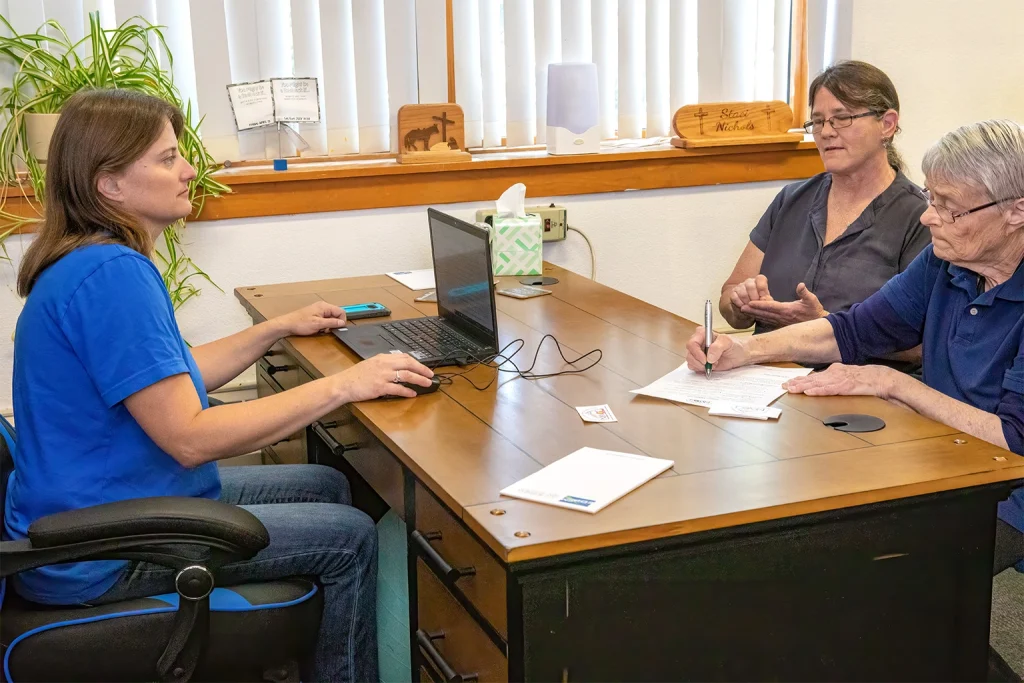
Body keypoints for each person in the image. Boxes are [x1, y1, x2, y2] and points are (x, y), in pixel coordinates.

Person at [4, 89, 435, 682]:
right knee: (351, 537)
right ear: (109, 185)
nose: (187, 170)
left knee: (328, 483)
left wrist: (274, 330)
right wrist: (344, 385)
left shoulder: (89, 260)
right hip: (104, 548)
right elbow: (190, 436)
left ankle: (294, 662)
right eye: (166, 159)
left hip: (108, 504)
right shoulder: (112, 275)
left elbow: (170, 382)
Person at [687, 119, 1024, 573]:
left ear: (1015, 212)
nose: (929, 218)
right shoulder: (947, 262)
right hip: (938, 459)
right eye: (930, 198)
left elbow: (1015, 440)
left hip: (1005, 495)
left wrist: (892, 383)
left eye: (949, 208)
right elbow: (851, 331)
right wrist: (744, 351)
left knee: (879, 575)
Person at [719, 60, 931, 339]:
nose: (827, 131)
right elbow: (729, 298)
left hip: (853, 377)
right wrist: (741, 303)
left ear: (887, 124)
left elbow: (925, 343)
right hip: (766, 368)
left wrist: (826, 325)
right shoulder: (791, 200)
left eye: (843, 118)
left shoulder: (920, 217)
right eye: (818, 121)